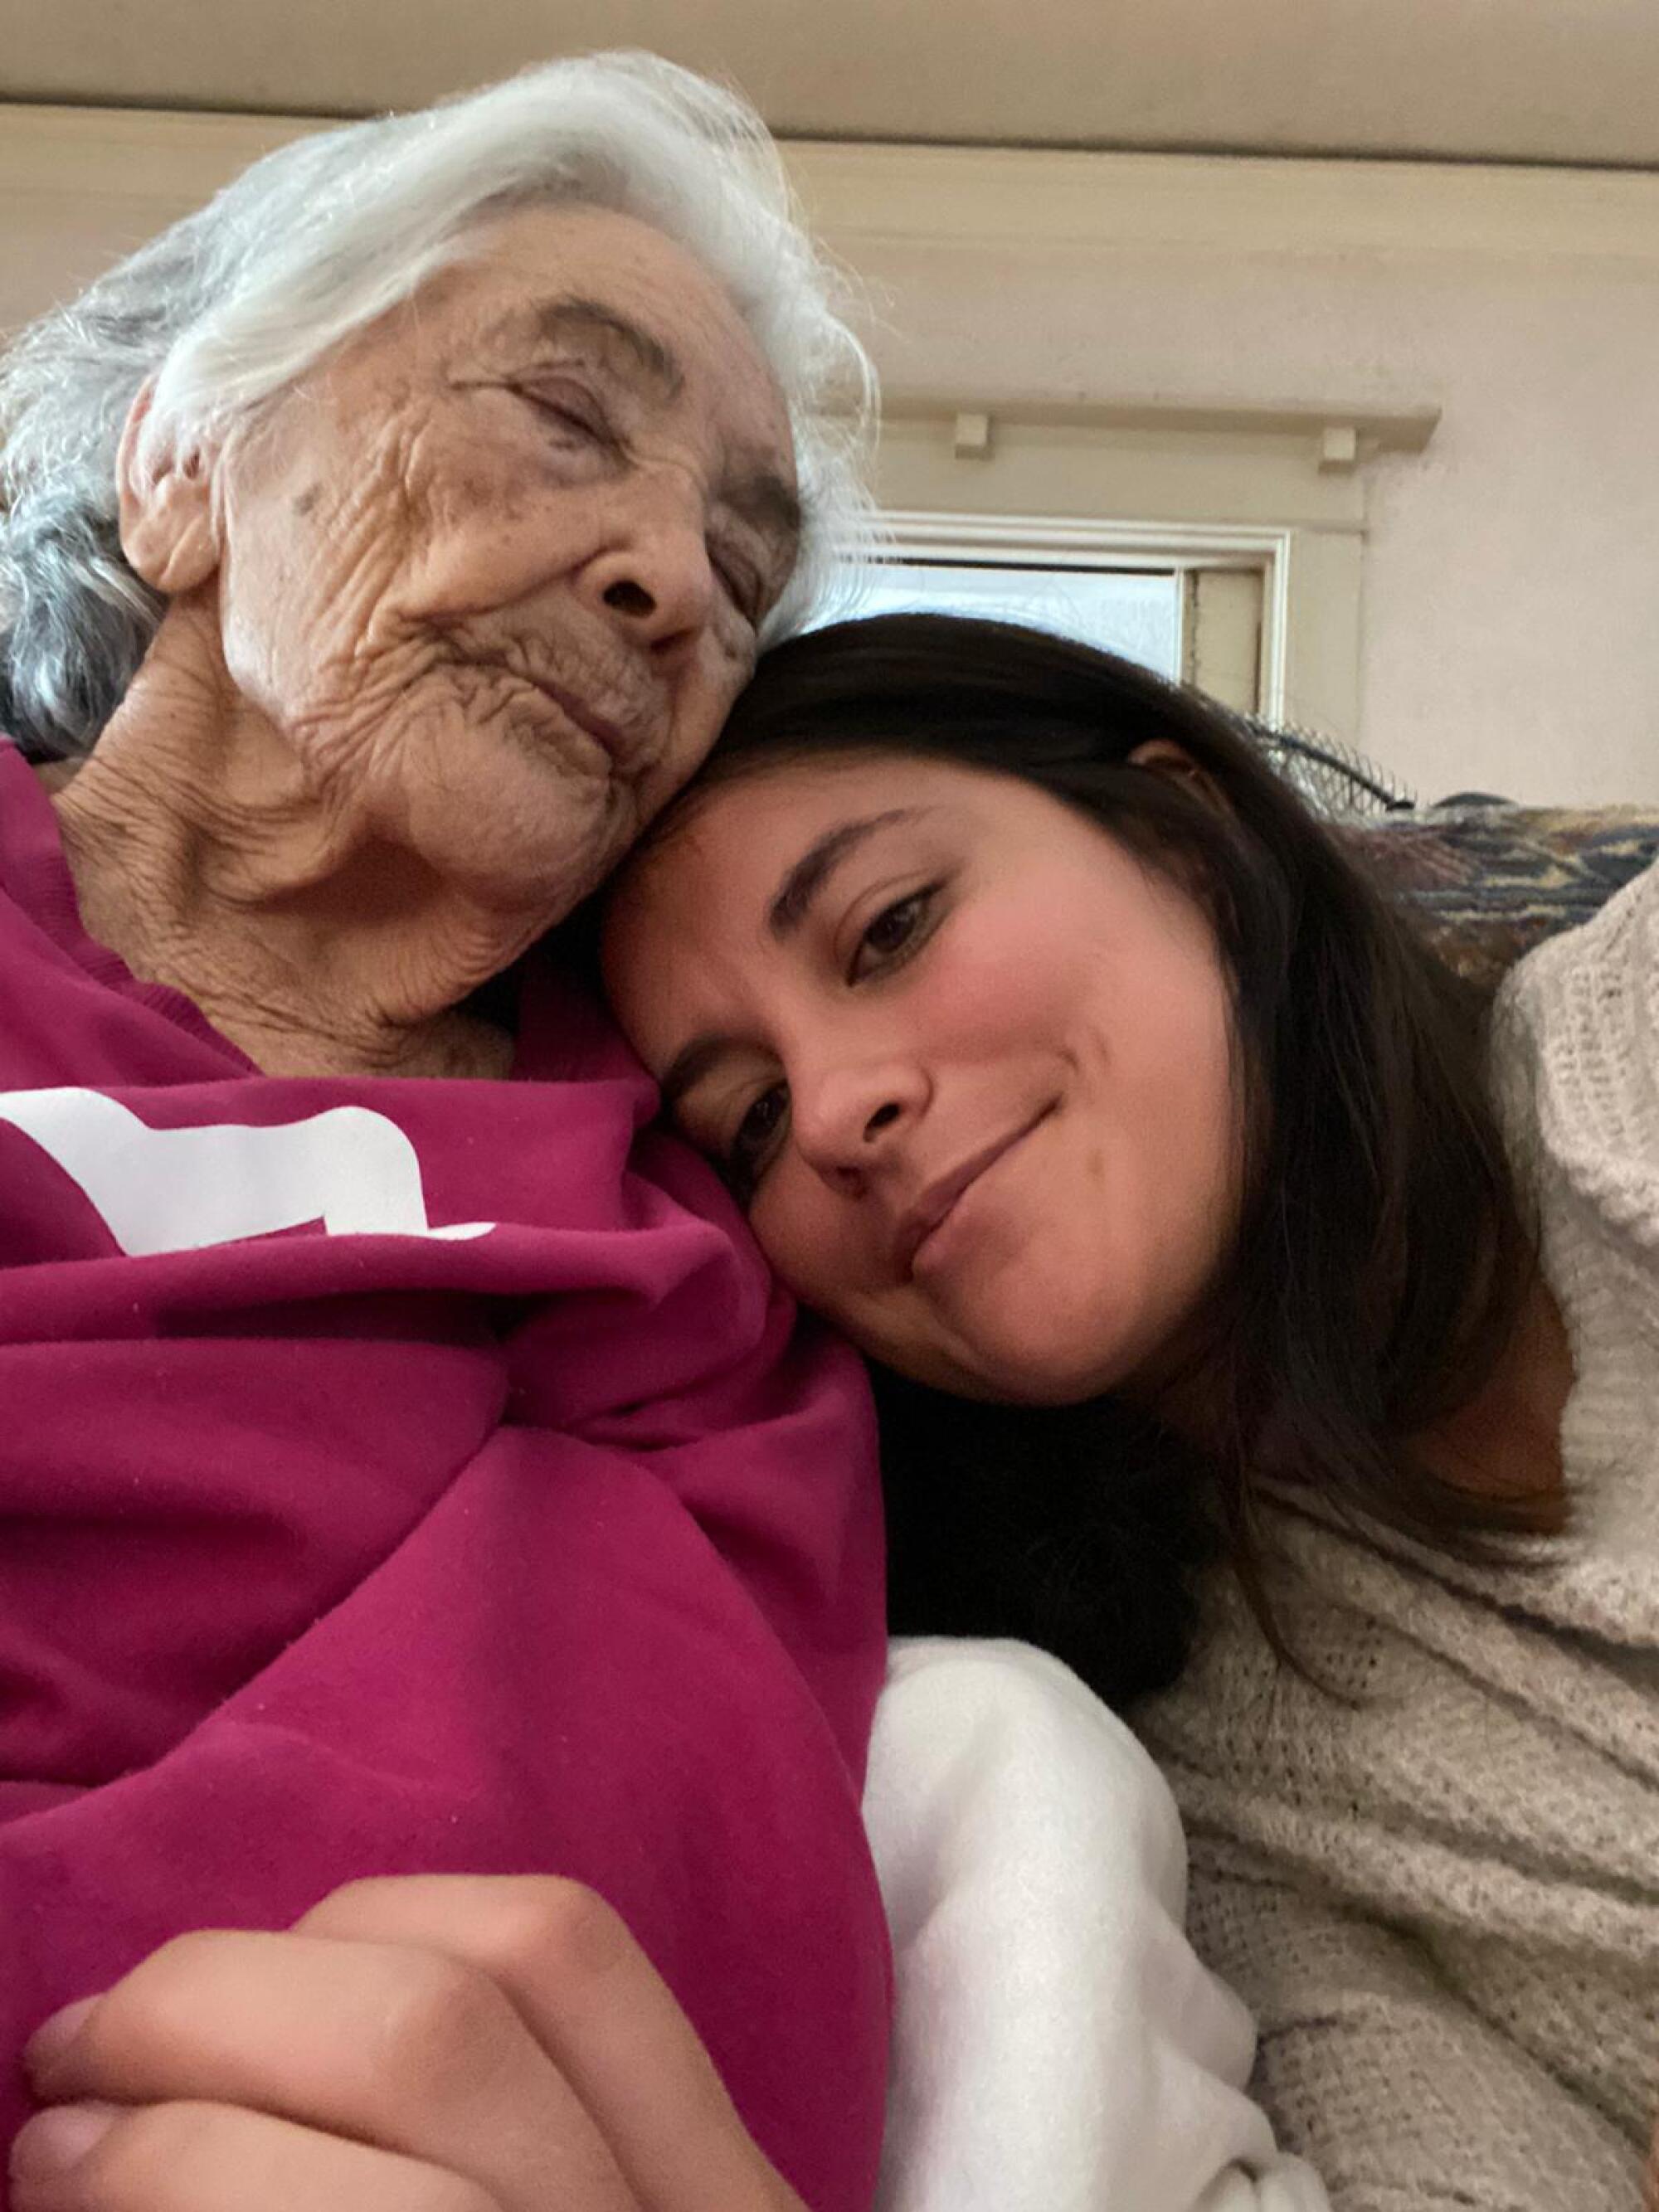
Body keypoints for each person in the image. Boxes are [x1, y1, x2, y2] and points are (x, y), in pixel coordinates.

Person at [0, 53, 899, 2212]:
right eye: (567, 421)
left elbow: (655, 1896)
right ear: (181, 464)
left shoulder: (707, 1257)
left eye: (744, 577)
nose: (669, 586)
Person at [601, 611, 1659, 2212]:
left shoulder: (1630, 1041)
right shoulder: (1203, 1795)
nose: (832, 1110)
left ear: (1196, 836)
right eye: (745, 1124)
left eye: (889, 929)